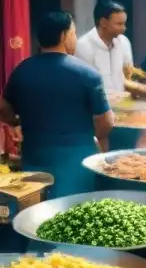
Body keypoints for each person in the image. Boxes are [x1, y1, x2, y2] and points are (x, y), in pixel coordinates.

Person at [0, 12, 114, 197]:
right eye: (74, 33)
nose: (75, 38)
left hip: (34, 155)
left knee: (36, 212)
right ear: (64, 35)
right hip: (77, 160)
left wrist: (15, 123)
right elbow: (106, 121)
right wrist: (91, 137)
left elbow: (3, 108)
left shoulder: (22, 70)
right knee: (73, 214)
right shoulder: (87, 74)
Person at [75, 0, 136, 97]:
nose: (124, 28)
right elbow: (86, 86)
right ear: (103, 22)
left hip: (124, 104)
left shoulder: (124, 42)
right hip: (97, 108)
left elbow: (129, 76)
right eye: (119, 24)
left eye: (124, 24)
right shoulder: (83, 46)